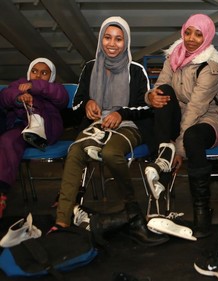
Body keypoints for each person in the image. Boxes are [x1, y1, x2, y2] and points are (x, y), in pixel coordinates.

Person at [53, 16, 168, 247]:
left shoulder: (135, 70)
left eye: (118, 39)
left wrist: (121, 114)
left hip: (129, 126)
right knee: (75, 151)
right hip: (96, 126)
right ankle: (62, 220)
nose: (112, 44)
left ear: (126, 42)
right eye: (107, 37)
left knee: (110, 153)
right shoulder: (89, 67)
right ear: (100, 40)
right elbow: (77, 104)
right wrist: (87, 105)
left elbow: (144, 106)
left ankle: (133, 211)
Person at [143, 14, 218, 238]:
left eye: (198, 34)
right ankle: (163, 157)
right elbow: (160, 86)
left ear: (207, 36)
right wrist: (150, 97)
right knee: (164, 93)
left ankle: (202, 209)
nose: (191, 38)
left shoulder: (210, 66)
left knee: (191, 137)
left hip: (207, 118)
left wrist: (179, 149)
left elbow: (196, 108)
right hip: (178, 116)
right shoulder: (174, 56)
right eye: (188, 32)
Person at [0, 58, 69, 219]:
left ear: (51, 76)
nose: (38, 75)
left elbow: (62, 98)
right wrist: (19, 97)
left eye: (44, 73)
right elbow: (4, 96)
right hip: (20, 129)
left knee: (11, 141)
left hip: (46, 131)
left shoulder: (54, 88)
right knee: (7, 142)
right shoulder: (20, 84)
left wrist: (34, 87)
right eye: (34, 71)